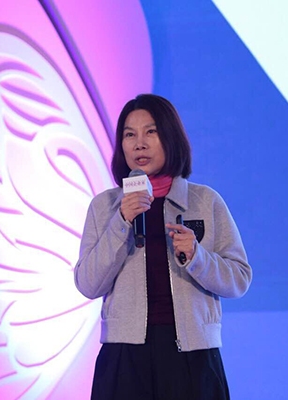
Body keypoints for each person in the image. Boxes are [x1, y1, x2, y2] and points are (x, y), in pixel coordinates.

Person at [74, 94, 252, 400]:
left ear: (170, 137)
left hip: (193, 357)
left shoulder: (205, 201)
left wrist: (197, 257)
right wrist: (121, 221)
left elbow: (239, 279)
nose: (139, 144)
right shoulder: (105, 207)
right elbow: (88, 284)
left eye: (151, 132)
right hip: (124, 357)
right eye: (129, 135)